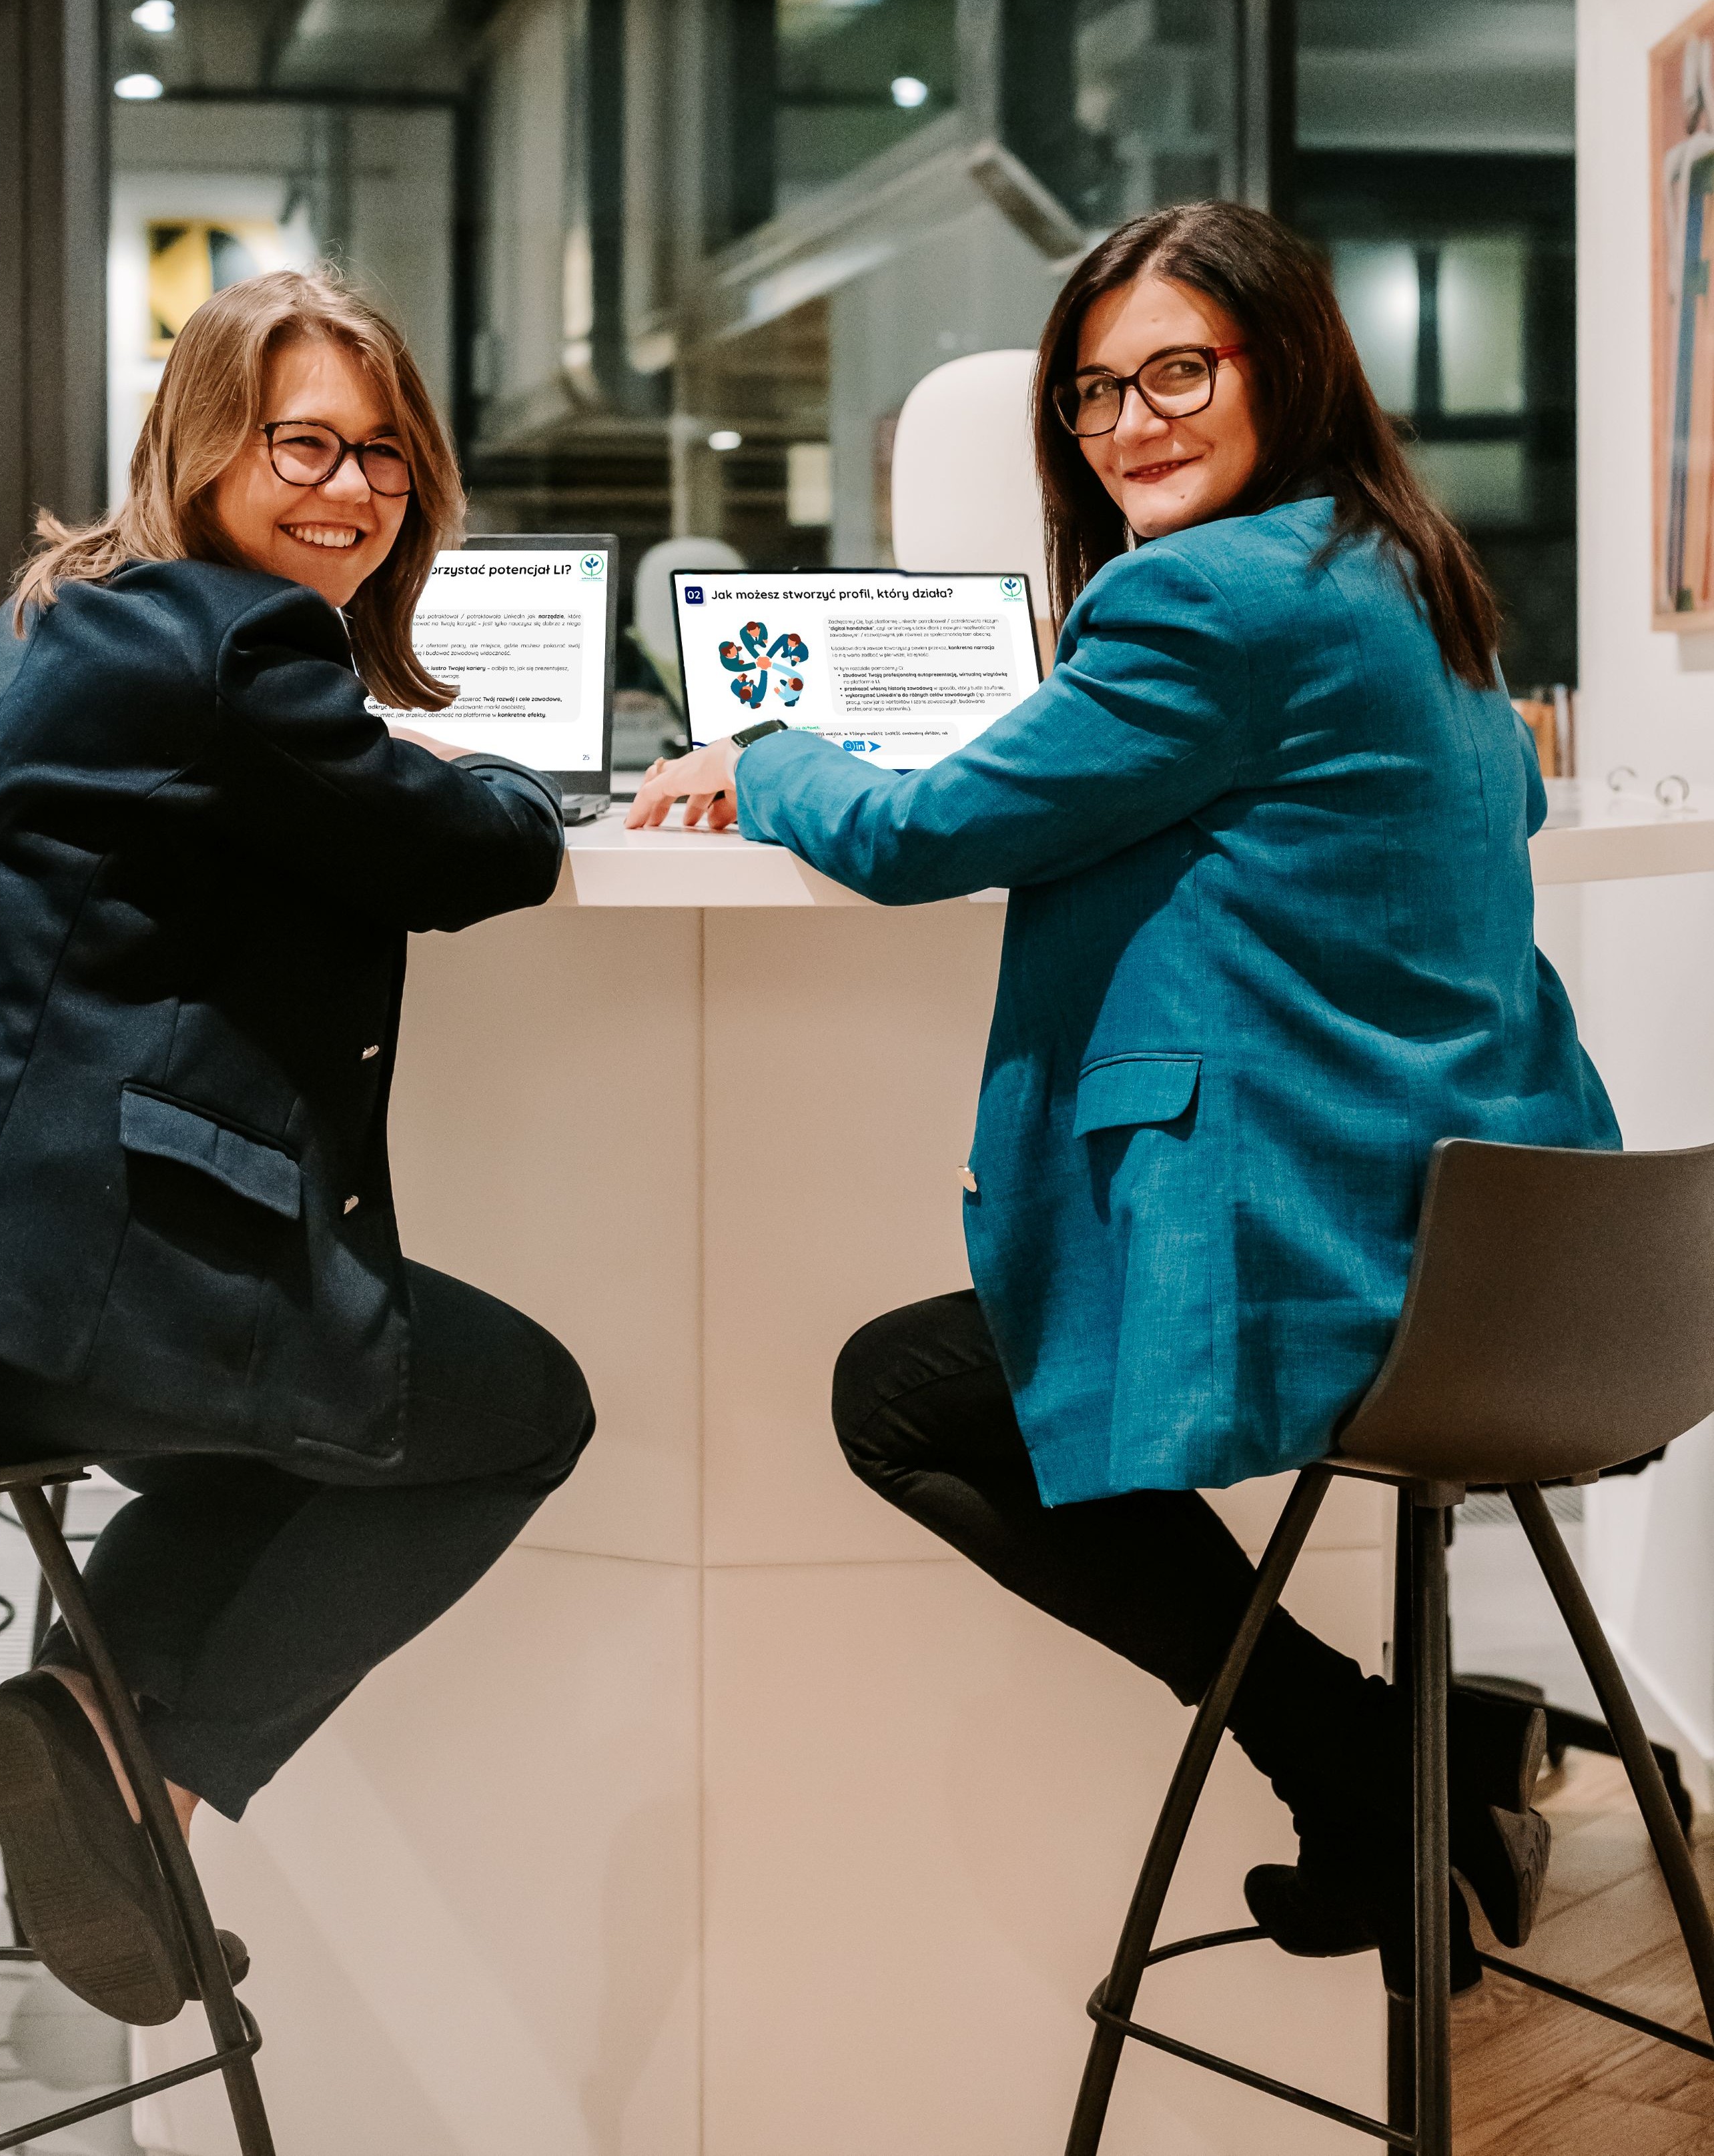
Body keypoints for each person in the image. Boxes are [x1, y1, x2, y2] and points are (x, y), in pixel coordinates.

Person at [626, 199, 1619, 1993]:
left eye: (1177, 373)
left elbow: (918, 834)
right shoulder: (1409, 573)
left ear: (1285, 365)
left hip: (1338, 1258)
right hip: (1521, 1273)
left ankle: (1363, 1759)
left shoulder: (1204, 597)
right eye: (1094, 392)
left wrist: (766, 755)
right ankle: (1397, 1776)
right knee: (956, 1382)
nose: (1128, 424)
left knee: (900, 1399)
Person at [0, 267, 593, 2029]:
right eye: (303, 444)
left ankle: (83, 1725)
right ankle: (148, 1781)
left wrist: (385, 759)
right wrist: (506, 779)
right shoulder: (241, 645)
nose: (350, 488)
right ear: (205, 446)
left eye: (383, 453)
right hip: (36, 1293)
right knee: (519, 1410)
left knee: (296, 1435)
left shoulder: (78, 617)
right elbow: (471, 854)